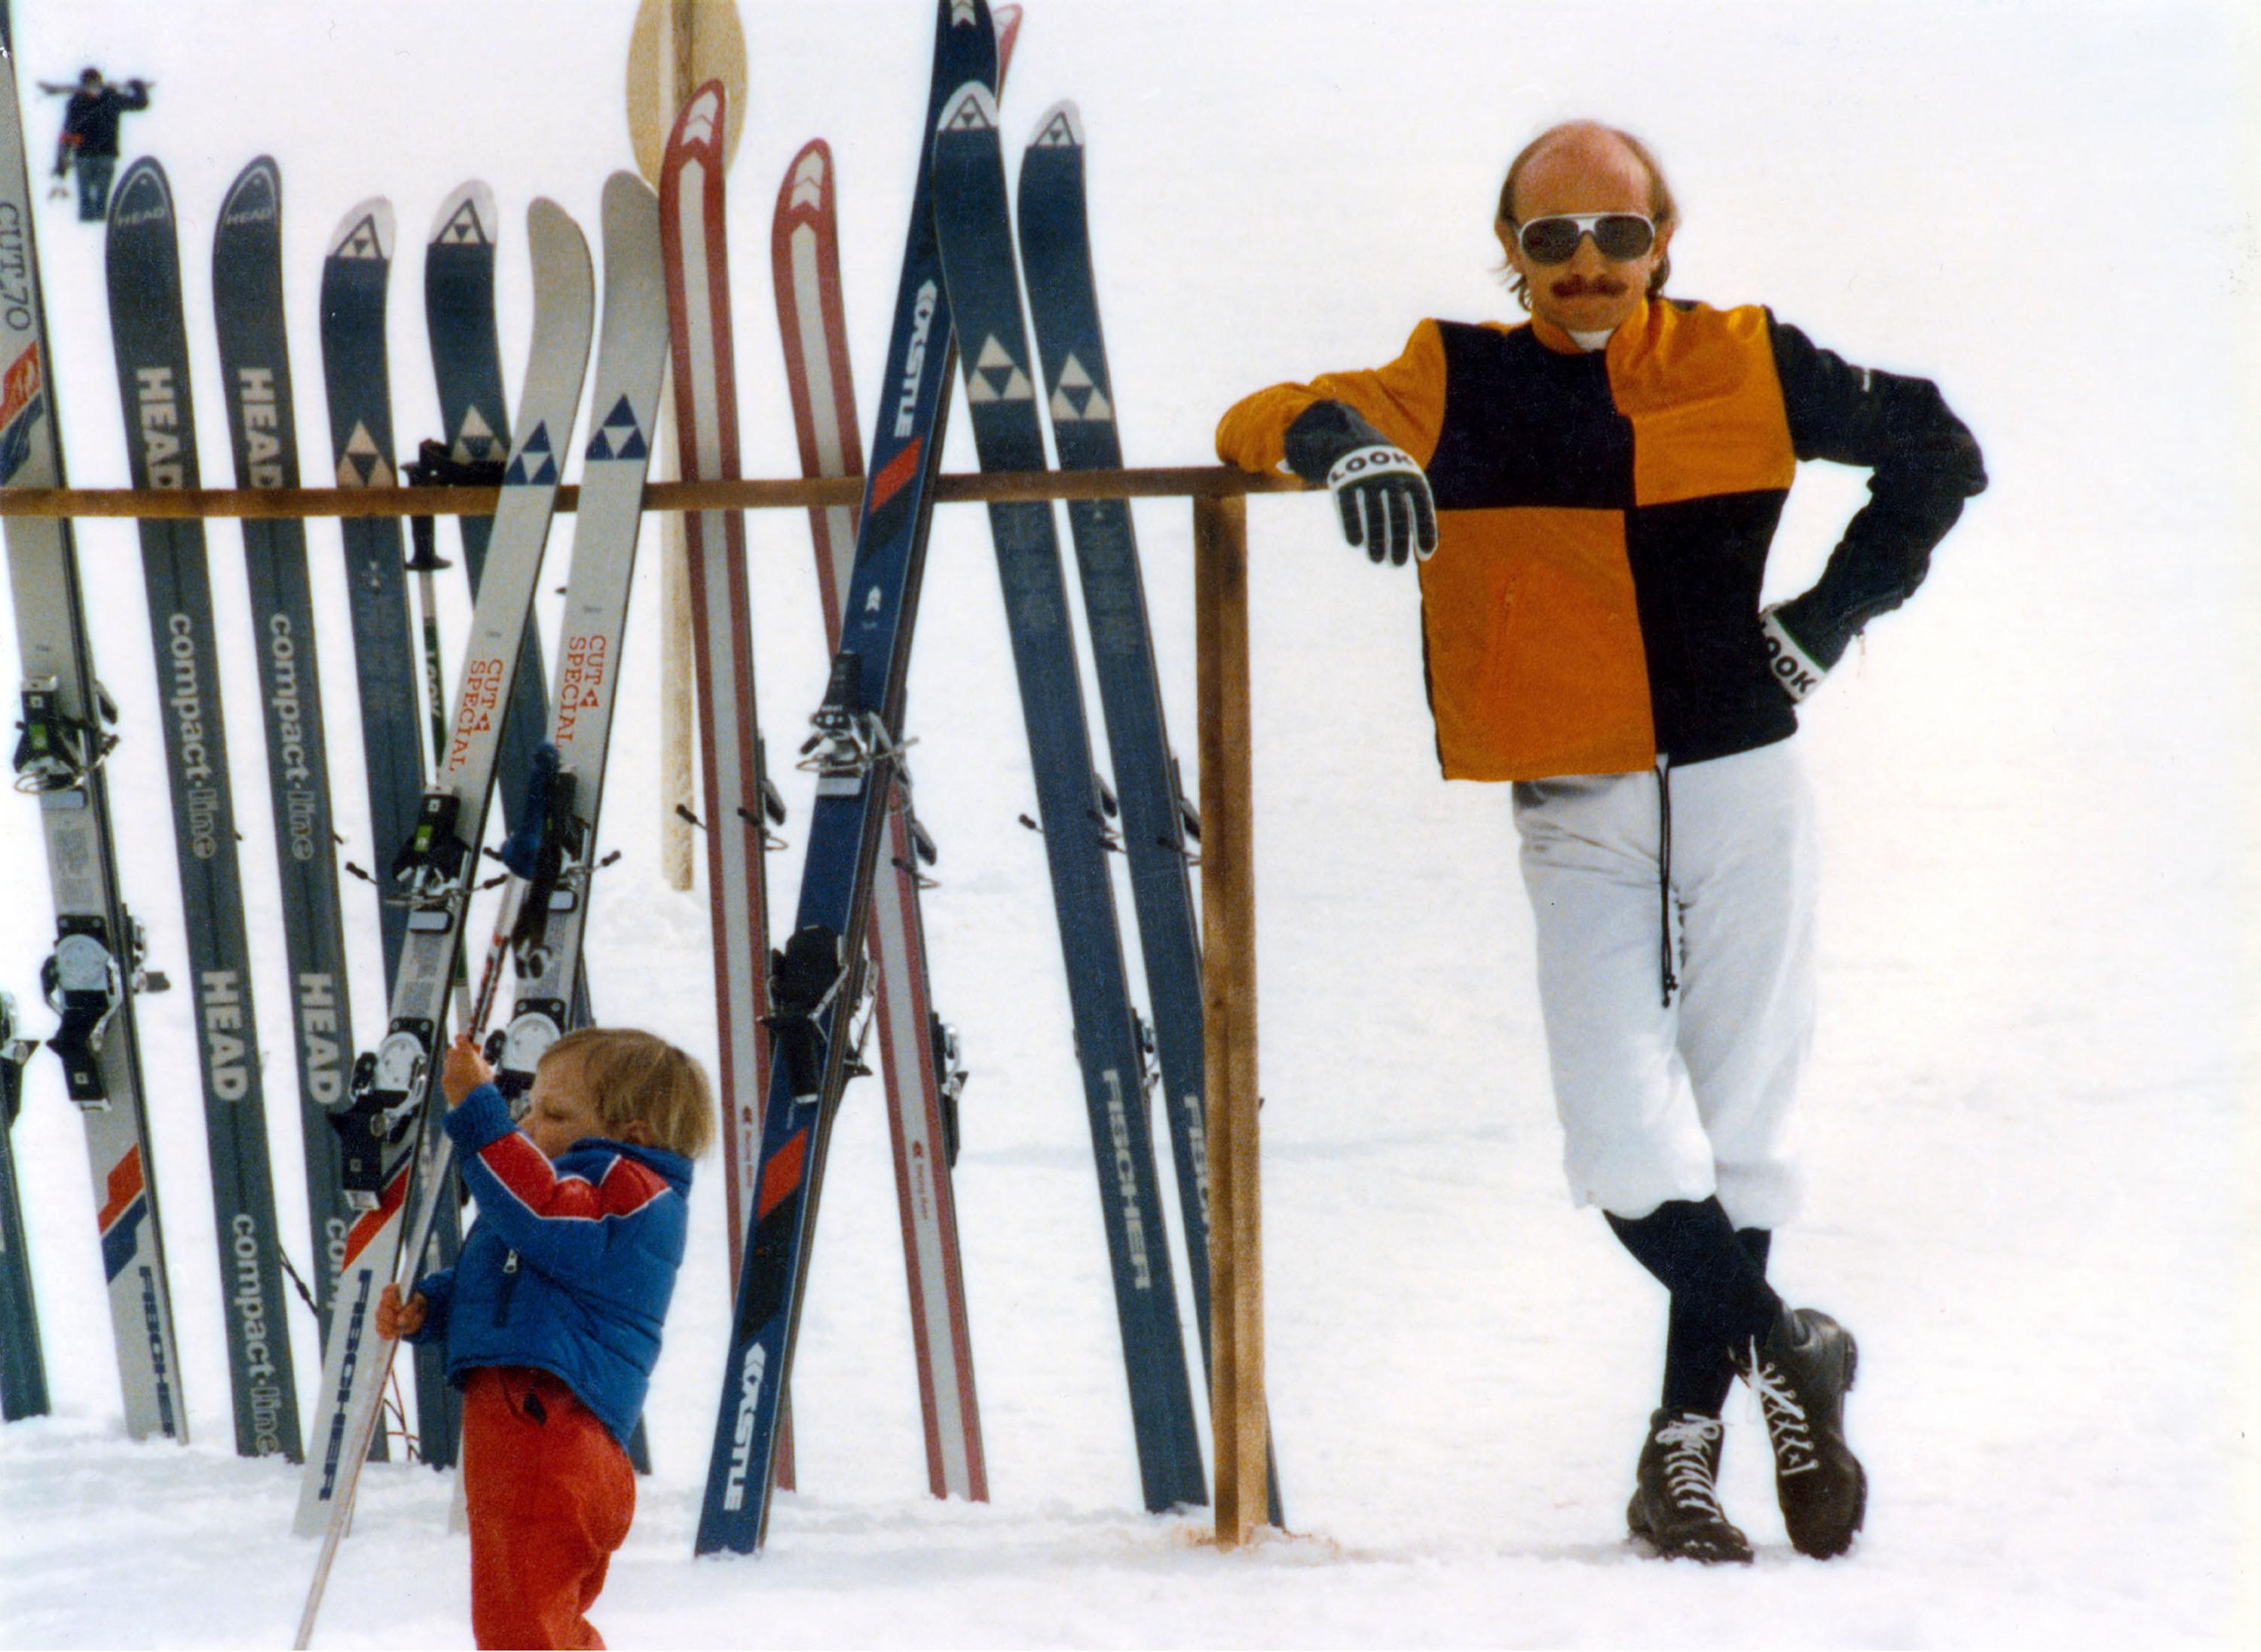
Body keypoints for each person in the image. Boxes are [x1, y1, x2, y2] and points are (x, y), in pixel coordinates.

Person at [1216, 119, 1984, 1563]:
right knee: (1628, 1133)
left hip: (1745, 771)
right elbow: (1263, 413)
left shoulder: (1746, 356)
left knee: (1745, 1124)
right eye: (1552, 238)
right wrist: (1352, 451)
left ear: (1664, 242)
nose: (1587, 265)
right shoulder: (1454, 374)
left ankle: (1677, 1456)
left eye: (1618, 237)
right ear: (1507, 253)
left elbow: (1938, 449)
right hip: (1576, 791)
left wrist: (1822, 628)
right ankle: (1788, 1352)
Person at [377, 1027, 711, 1647]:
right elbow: (512, 1276)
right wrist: (435, 1307)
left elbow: (539, 1214)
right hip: (541, 1429)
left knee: (520, 1628)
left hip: (549, 1431)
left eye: (554, 1113)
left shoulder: (629, 1192)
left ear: (632, 1137)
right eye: (528, 1106)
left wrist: (480, 1112)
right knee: (538, 1621)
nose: (529, 1125)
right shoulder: (580, 1198)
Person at [50, 67, 148, 222]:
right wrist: (61, 162)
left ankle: (98, 228)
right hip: (85, 157)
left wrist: (138, 86)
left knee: (101, 198)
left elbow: (140, 104)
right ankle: (87, 231)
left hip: (104, 156)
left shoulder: (109, 99)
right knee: (86, 199)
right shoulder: (81, 102)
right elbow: (68, 133)